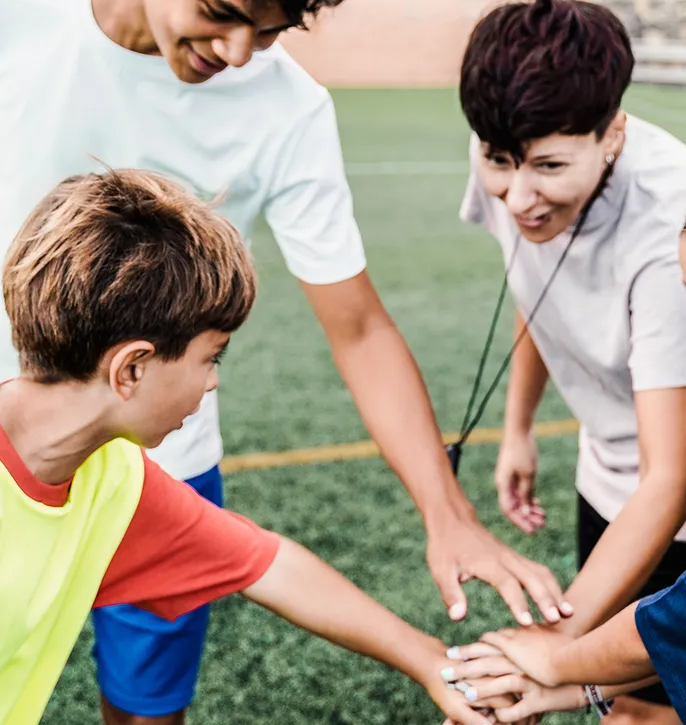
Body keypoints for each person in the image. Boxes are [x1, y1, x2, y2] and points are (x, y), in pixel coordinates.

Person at [0, 0, 569, 723]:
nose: (239, 54)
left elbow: (359, 331)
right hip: (40, 441)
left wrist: (447, 522)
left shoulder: (126, 486)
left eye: (268, 33)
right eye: (220, 12)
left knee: (144, 705)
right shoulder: (16, 3)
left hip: (151, 456)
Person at [0, 168, 511, 725]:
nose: (212, 382)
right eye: (210, 357)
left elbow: (266, 564)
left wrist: (436, 663)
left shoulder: (111, 478)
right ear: (132, 369)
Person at [457, 0, 686, 723]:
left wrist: (555, 649)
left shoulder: (675, 230)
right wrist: (518, 426)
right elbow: (539, 281)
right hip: (614, 474)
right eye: (498, 162)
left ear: (612, 133)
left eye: (548, 166)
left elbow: (672, 483)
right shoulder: (513, 143)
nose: (517, 197)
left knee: (685, 702)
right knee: (622, 702)